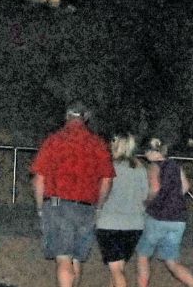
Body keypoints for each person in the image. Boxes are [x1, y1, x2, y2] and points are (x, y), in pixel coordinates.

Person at [30, 102, 115, 287]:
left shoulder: (54, 140)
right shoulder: (97, 143)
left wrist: (40, 207)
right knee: (76, 258)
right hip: (86, 207)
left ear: (67, 116)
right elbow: (107, 180)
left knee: (63, 257)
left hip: (58, 205)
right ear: (86, 117)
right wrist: (99, 206)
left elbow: (38, 179)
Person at [135, 139, 193, 287]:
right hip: (177, 219)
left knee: (143, 256)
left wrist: (145, 202)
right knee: (172, 263)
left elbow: (154, 189)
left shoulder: (154, 166)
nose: (145, 154)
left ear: (152, 152)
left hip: (158, 217)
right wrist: (173, 199)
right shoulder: (175, 165)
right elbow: (185, 187)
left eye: (146, 151)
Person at [94, 134, 147, 287]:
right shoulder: (140, 168)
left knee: (116, 270)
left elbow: (101, 191)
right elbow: (145, 195)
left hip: (109, 223)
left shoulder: (108, 167)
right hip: (135, 225)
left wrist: (97, 209)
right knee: (118, 268)